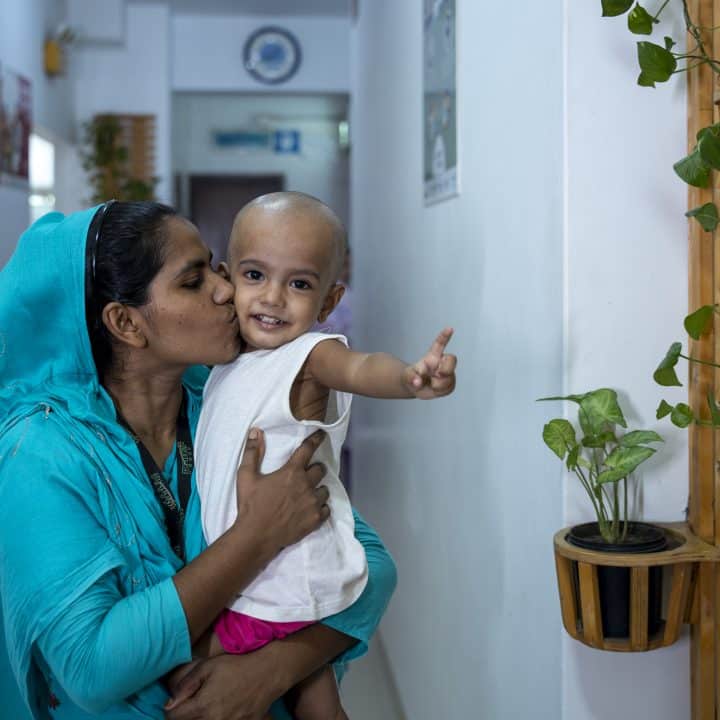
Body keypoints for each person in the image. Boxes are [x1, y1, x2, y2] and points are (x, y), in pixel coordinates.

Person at [0, 201, 398, 720]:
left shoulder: (220, 401)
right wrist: (255, 537)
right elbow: (92, 666)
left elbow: (372, 568)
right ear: (125, 323)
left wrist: (270, 671)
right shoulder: (40, 455)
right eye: (194, 281)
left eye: (215, 266)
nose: (227, 289)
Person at [195, 192, 457, 720]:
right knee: (312, 696)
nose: (272, 297)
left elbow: (360, 369)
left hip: (284, 575)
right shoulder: (225, 362)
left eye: (299, 284)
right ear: (225, 278)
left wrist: (409, 379)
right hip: (266, 574)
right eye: (254, 275)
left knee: (187, 670)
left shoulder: (310, 355)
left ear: (329, 301)